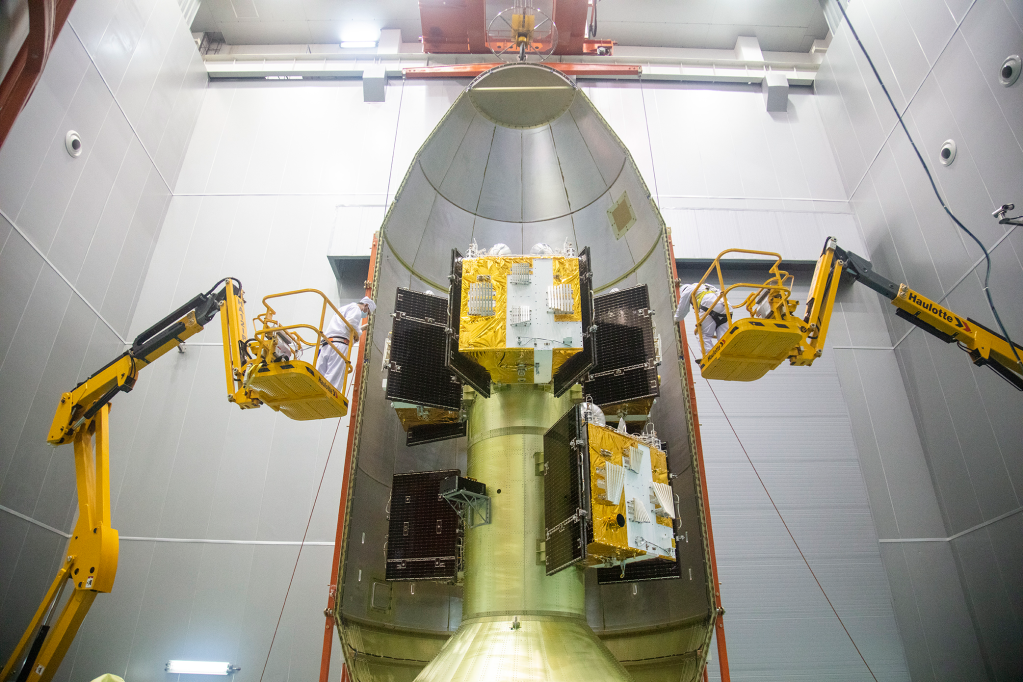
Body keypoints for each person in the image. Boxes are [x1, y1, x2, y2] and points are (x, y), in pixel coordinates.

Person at [317, 296, 375, 388]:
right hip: (339, 345)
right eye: (367, 312)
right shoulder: (356, 309)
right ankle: (328, 395)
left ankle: (317, 391)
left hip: (327, 343)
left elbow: (344, 327)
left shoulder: (343, 308)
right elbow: (351, 324)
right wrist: (358, 334)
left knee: (320, 373)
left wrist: (360, 329)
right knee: (333, 376)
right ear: (366, 305)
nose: (366, 314)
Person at [675, 283, 728, 355]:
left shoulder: (687, 290)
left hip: (709, 307)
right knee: (724, 336)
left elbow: (681, 312)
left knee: (702, 334)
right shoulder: (705, 286)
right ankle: (727, 353)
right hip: (725, 307)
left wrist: (675, 319)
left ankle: (709, 356)